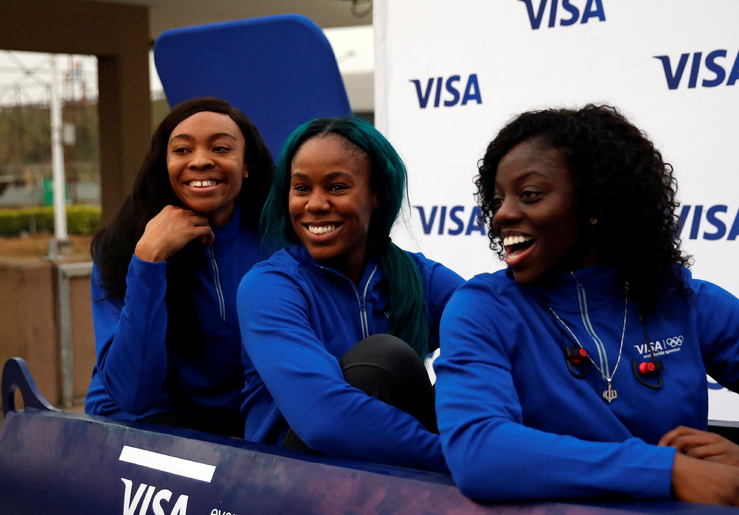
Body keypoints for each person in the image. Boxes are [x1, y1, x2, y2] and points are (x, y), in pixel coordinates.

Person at [434, 105, 739, 507]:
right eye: (496, 200)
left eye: (528, 194)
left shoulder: (684, 300)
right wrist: (669, 472)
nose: (501, 215)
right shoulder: (481, 310)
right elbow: (480, 450)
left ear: (597, 205)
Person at [238, 117, 464, 472]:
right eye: (301, 188)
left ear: (376, 195)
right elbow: (323, 418)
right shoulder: (269, 286)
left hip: (389, 478)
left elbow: (501, 329)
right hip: (282, 487)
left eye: (337, 187)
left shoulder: (419, 276)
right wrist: (453, 458)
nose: (314, 204)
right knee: (384, 360)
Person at [86, 97, 274, 436]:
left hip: (239, 422)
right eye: (182, 150)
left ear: (246, 164)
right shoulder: (120, 248)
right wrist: (148, 260)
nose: (200, 161)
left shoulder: (276, 243)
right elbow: (134, 395)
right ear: (164, 164)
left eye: (220, 148)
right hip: (142, 423)